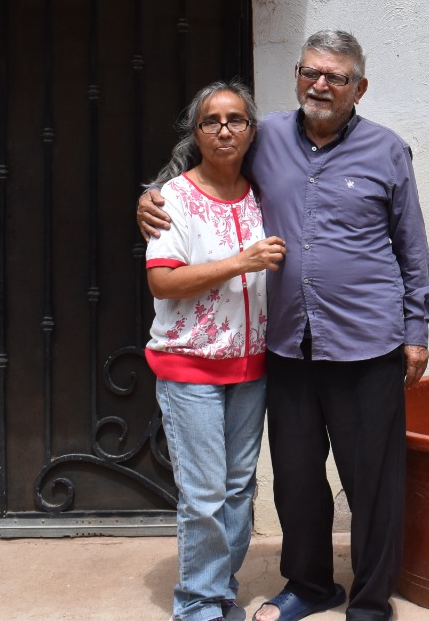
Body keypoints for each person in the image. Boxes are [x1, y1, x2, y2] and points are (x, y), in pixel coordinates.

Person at [140, 31, 429, 621]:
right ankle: (310, 584)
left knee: (370, 481)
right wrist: (150, 193)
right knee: (296, 481)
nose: (320, 85)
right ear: (297, 75)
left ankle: (371, 600)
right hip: (290, 346)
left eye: (336, 77)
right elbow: (203, 154)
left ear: (360, 88)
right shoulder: (265, 132)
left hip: (367, 343)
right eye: (310, 72)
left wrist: (416, 329)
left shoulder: (386, 150)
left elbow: (412, 247)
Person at [145, 82, 286, 621]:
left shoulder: (262, 194)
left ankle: (219, 589)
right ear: (196, 132)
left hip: (250, 368)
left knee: (236, 492)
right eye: (211, 121)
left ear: (252, 130)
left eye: (236, 120)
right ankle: (198, 605)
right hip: (191, 367)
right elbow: (163, 282)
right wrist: (238, 262)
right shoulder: (173, 199)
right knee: (203, 497)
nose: (224, 129)